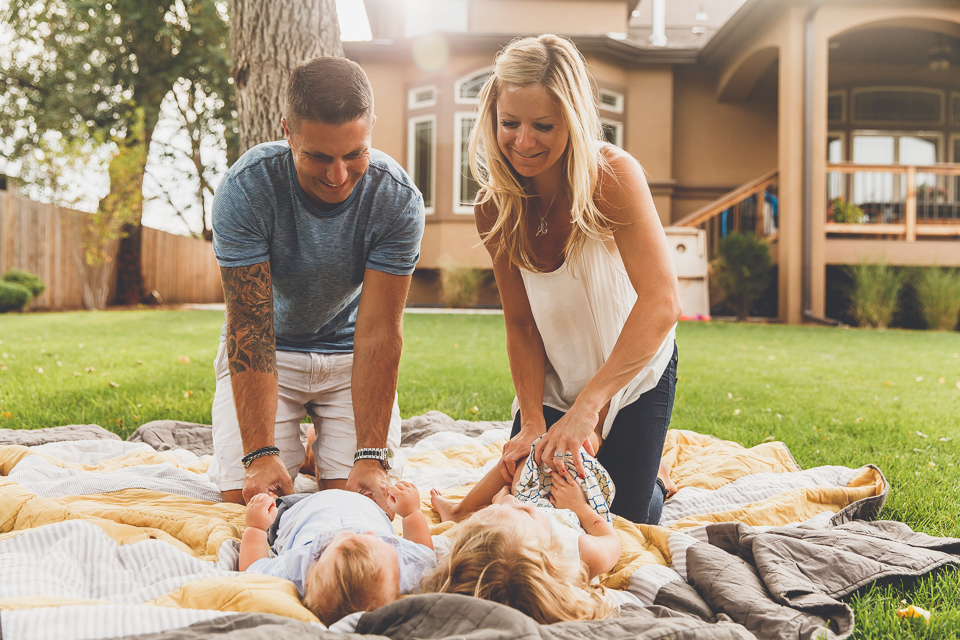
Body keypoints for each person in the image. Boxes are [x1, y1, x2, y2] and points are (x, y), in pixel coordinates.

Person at [469, 34, 681, 524]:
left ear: (573, 119)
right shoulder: (493, 208)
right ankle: (629, 455)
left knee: (621, 517)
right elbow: (521, 325)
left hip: (633, 374)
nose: (523, 141)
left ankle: (652, 473)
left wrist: (589, 410)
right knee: (531, 507)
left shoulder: (613, 177)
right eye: (510, 123)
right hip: (556, 379)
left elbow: (662, 302)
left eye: (543, 125)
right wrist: (534, 420)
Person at [209, 56, 425, 509]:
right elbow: (250, 328)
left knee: (359, 501)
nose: (338, 175)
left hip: (351, 355)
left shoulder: (397, 200)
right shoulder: (246, 189)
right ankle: (299, 449)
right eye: (319, 156)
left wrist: (370, 454)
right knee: (246, 496)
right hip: (273, 350)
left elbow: (380, 331)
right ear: (287, 131)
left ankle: (321, 454)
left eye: (354, 154)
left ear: (371, 128)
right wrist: (261, 454)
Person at [423, 459, 619, 624]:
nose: (511, 501)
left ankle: (459, 512)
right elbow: (610, 541)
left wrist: (502, 501)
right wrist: (580, 506)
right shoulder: (579, 551)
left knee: (519, 460)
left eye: (487, 511)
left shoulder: (481, 560)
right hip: (569, 502)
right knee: (580, 443)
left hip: (527, 505)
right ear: (551, 561)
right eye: (522, 509)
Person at [239, 482, 435, 625]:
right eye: (374, 539)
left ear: (308, 577)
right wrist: (411, 513)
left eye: (345, 537)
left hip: (299, 507)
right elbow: (424, 552)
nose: (367, 533)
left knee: (275, 499)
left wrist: (255, 527)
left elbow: (252, 569)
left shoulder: (295, 568)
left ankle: (310, 450)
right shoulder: (410, 571)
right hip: (367, 504)